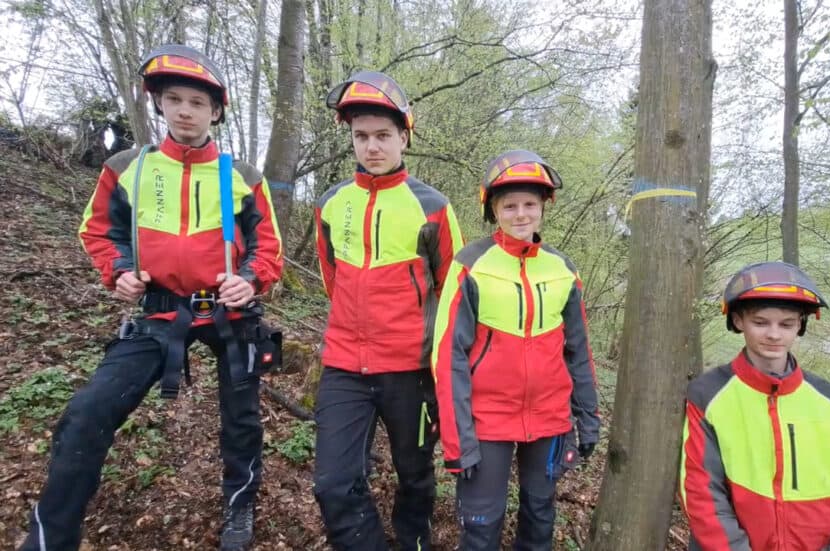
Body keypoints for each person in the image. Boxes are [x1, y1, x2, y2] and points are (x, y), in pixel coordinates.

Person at [20, 44, 283, 551]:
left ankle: (239, 507)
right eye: (175, 99)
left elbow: (268, 243)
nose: (186, 110)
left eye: (198, 103)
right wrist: (117, 271)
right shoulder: (128, 168)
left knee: (242, 418)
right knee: (87, 413)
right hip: (160, 308)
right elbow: (98, 232)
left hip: (229, 310)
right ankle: (50, 537)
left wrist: (250, 279)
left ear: (216, 111)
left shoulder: (242, 177)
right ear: (159, 104)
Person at [312, 70, 464, 551]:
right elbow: (331, 278)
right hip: (343, 366)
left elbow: (453, 295)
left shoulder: (433, 207)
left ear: (404, 137)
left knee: (415, 475)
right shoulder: (331, 203)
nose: (371, 146)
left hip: (410, 369)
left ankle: (413, 540)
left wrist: (443, 372)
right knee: (332, 483)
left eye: (383, 135)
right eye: (361, 136)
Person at [433, 150, 600, 550]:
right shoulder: (471, 264)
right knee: (480, 524)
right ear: (493, 208)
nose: (521, 214)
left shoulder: (563, 268)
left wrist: (588, 417)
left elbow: (578, 351)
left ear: (544, 206)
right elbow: (448, 355)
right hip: (486, 419)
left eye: (530, 204)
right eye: (510, 205)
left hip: (550, 419)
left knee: (540, 515)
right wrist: (458, 440)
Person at [680, 261, 830, 550]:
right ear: (738, 320)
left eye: (786, 324)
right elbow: (702, 497)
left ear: (801, 325)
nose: (774, 334)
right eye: (760, 322)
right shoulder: (707, 396)